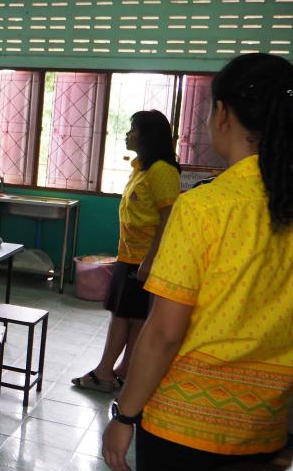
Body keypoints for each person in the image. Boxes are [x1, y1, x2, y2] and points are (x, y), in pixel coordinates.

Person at [102, 53, 293, 471]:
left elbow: (164, 333)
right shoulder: (281, 202)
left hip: (184, 424)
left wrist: (125, 415)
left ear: (222, 113)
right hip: (266, 423)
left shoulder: (204, 207)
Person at [72, 110, 180, 393]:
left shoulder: (162, 171)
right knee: (131, 316)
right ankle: (122, 370)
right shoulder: (141, 168)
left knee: (123, 315)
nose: (128, 134)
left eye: (134, 129)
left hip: (143, 259)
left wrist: (151, 260)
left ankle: (104, 372)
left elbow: (168, 219)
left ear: (148, 136)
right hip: (129, 255)